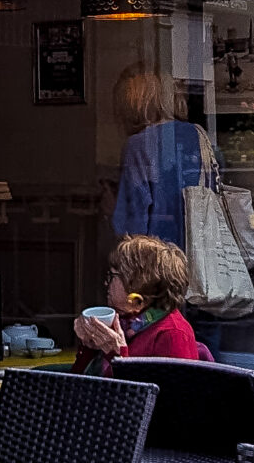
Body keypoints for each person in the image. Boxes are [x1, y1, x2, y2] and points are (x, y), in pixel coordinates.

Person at [73, 234, 210, 369]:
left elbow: (168, 391)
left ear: (139, 283)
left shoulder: (173, 334)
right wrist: (89, 347)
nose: (105, 283)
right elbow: (79, 385)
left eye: (112, 276)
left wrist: (118, 356)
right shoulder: (126, 323)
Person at [112, 65, 215, 244]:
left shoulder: (138, 145)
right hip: (201, 249)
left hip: (159, 256)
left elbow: (133, 222)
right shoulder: (198, 134)